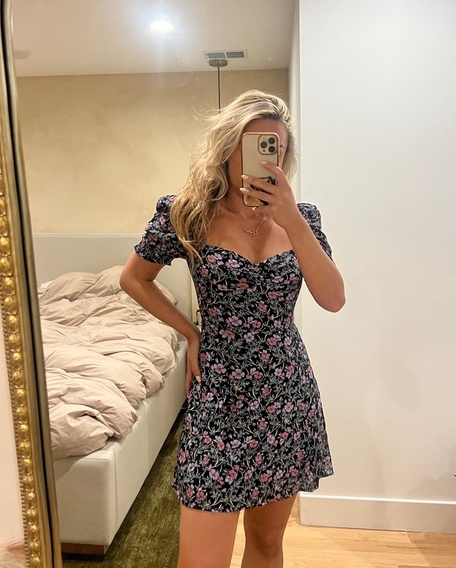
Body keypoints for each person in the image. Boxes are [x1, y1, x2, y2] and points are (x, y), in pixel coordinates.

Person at [120, 90, 345, 568]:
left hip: (286, 394)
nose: (267, 157)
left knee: (265, 546)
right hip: (218, 393)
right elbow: (134, 279)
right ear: (228, 149)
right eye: (254, 144)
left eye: (276, 147)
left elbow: (333, 299)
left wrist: (291, 220)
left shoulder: (304, 219)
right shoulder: (188, 213)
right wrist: (191, 333)